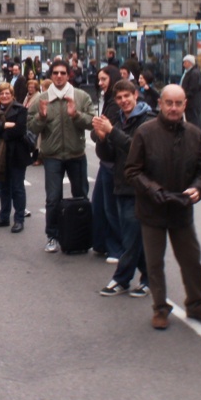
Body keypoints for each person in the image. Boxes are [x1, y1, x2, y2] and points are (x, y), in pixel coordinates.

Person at [125, 84, 201, 330]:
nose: (174, 108)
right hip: (152, 209)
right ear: (161, 103)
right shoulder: (145, 133)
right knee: (155, 263)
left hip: (182, 209)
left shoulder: (194, 133)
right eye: (169, 103)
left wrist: (198, 189)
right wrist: (152, 190)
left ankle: (197, 304)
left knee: (191, 259)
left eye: (179, 103)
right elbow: (132, 171)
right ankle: (160, 308)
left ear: (185, 104)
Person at [27, 57, 95, 253]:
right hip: (53, 155)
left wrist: (76, 115)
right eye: (55, 73)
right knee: (53, 198)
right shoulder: (41, 99)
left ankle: (81, 234)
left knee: (81, 196)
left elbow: (91, 122)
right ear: (51, 75)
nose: (58, 76)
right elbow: (31, 127)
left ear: (68, 75)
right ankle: (52, 235)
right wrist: (41, 116)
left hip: (76, 154)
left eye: (62, 73)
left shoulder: (80, 96)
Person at [95, 79, 154, 297]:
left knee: (130, 237)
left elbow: (136, 149)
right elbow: (110, 155)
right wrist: (102, 139)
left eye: (126, 96)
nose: (123, 101)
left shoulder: (147, 120)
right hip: (120, 184)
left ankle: (121, 279)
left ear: (135, 95)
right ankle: (150, 277)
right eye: (119, 98)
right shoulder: (118, 121)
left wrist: (111, 132)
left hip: (140, 186)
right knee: (132, 236)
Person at [0, 83, 29, 233]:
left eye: (7, 93)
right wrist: (5, 126)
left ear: (12, 94)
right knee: (4, 187)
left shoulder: (20, 109)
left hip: (16, 153)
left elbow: (20, 130)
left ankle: (19, 219)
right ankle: (4, 217)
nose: (4, 96)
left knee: (17, 188)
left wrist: (0, 129)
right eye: (1, 93)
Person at [91, 66, 123, 260]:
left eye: (103, 79)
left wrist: (100, 131)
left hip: (114, 160)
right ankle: (102, 243)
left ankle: (117, 248)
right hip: (106, 159)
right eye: (99, 80)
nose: (100, 83)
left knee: (111, 208)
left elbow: (106, 129)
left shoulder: (114, 102)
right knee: (100, 205)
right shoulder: (109, 100)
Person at [180, 54, 201, 129]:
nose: (183, 65)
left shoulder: (194, 73)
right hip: (190, 101)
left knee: (194, 119)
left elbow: (193, 88)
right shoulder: (188, 72)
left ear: (190, 63)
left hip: (193, 101)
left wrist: (185, 95)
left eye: (185, 62)